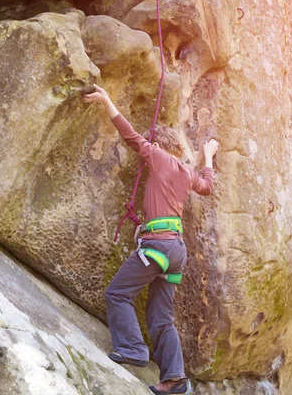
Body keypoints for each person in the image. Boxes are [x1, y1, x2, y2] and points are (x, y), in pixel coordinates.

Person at [83, 84, 218, 395]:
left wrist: (107, 100)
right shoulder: (186, 172)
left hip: (157, 246)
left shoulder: (159, 158)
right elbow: (208, 186)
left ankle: (132, 349)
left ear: (159, 145)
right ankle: (175, 379)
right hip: (176, 252)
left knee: (117, 293)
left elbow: (132, 138)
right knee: (161, 318)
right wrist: (207, 156)